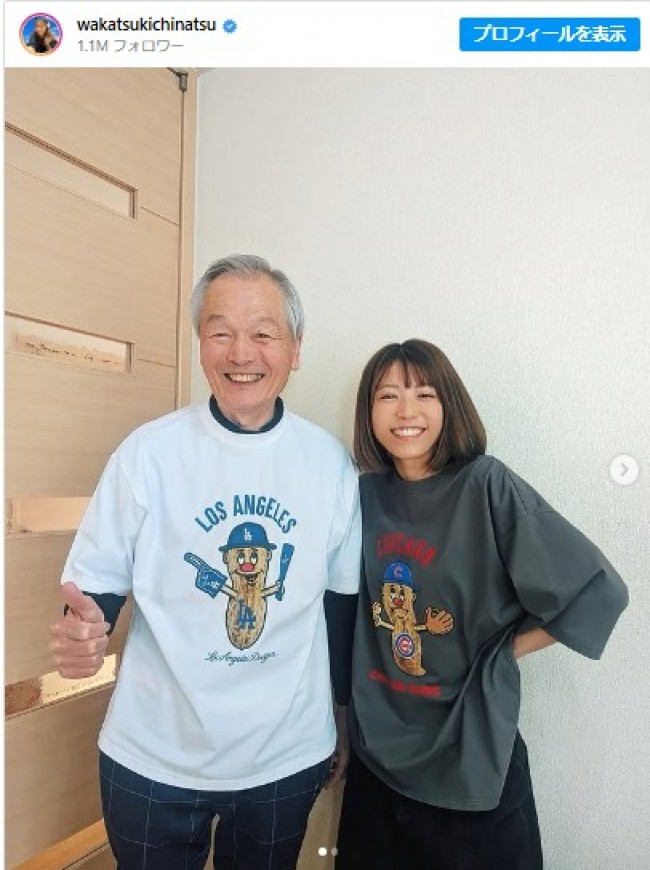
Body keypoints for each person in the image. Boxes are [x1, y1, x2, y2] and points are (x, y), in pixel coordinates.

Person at [50, 255, 361, 870]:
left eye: (263, 333)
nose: (241, 353)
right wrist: (84, 635)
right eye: (221, 332)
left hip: (285, 757)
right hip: (152, 757)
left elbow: (340, 607)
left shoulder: (329, 464)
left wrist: (344, 720)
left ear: (295, 349)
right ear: (200, 344)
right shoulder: (148, 454)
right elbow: (95, 589)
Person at [335, 339, 628, 870]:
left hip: (470, 752)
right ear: (368, 411)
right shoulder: (362, 496)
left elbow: (594, 589)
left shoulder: (484, 484)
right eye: (388, 395)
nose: (406, 411)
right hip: (377, 756)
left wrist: (501, 652)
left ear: (449, 404)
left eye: (424, 394)